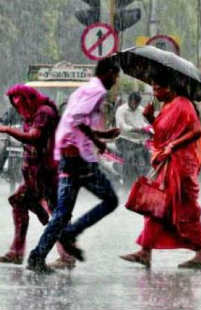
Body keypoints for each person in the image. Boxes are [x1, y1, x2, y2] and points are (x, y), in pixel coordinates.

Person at [27, 58, 121, 274]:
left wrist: (102, 134)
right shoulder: (97, 91)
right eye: (115, 76)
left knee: (61, 212)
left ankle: (37, 256)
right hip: (79, 158)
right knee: (111, 199)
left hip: (69, 155)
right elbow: (77, 119)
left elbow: (74, 121)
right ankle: (71, 232)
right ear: (106, 73)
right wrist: (97, 141)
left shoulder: (85, 89)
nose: (115, 81)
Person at [120, 76, 201, 269]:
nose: (154, 91)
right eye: (153, 87)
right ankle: (146, 251)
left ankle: (200, 253)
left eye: (157, 86)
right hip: (169, 165)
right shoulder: (168, 107)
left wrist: (173, 146)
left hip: (182, 167)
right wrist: (151, 118)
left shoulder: (183, 104)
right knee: (158, 208)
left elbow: (195, 131)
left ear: (170, 87)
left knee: (185, 209)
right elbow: (162, 135)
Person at [0, 85, 75, 269]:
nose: (19, 109)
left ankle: (66, 255)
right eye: (16, 105)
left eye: (21, 104)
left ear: (29, 99)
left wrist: (7, 130)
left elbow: (34, 137)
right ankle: (17, 251)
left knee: (57, 212)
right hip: (35, 174)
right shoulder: (32, 114)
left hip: (48, 173)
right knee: (19, 201)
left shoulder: (44, 113)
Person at [115, 92, 151, 187]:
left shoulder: (141, 110)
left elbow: (145, 123)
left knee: (149, 159)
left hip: (139, 140)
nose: (135, 106)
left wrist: (148, 129)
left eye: (137, 103)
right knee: (130, 159)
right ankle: (127, 186)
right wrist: (135, 129)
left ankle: (143, 184)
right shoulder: (121, 110)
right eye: (133, 103)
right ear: (129, 101)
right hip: (124, 139)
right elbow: (122, 126)